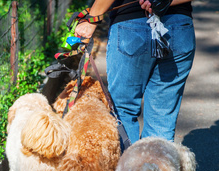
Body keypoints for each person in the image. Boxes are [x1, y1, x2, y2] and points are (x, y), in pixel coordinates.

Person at [75, 0, 195, 145]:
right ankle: (156, 166)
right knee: (162, 118)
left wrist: (91, 19)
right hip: (179, 28)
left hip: (132, 26)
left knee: (123, 111)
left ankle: (128, 166)